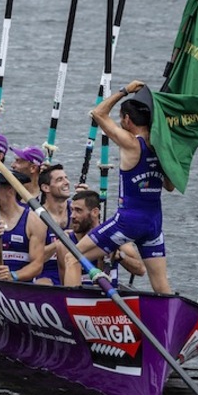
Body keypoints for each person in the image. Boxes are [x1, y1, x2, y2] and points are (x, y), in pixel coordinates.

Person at [70, 80, 174, 294]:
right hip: (154, 223)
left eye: (121, 118)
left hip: (128, 221)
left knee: (71, 256)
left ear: (127, 119)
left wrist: (125, 91)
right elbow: (170, 186)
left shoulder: (131, 142)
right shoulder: (161, 148)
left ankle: (69, 310)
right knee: (161, 286)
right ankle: (170, 324)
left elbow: (98, 113)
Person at [59, 189, 146, 286]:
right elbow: (64, 286)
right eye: (72, 210)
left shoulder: (115, 236)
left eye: (78, 210)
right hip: (82, 296)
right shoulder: (65, 243)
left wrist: (119, 256)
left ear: (95, 212)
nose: (72, 216)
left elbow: (140, 270)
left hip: (109, 296)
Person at [34, 163, 72, 285]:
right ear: (46, 188)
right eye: (60, 179)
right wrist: (59, 242)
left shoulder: (77, 211)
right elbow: (34, 258)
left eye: (66, 178)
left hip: (74, 271)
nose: (66, 182)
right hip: (46, 274)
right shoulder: (35, 216)